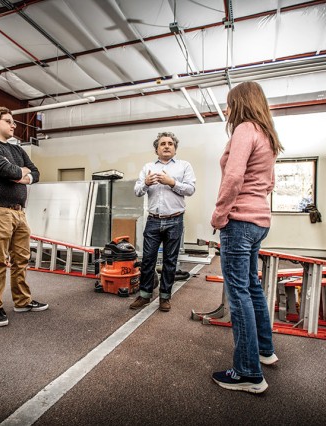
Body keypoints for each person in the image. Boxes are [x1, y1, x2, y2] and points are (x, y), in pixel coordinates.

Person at [210, 81, 284, 394]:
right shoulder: (266, 134)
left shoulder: (244, 129)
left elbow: (234, 176)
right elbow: (269, 182)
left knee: (238, 293)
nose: (226, 110)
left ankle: (248, 373)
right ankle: (264, 351)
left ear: (240, 103)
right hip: (259, 220)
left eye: (228, 104)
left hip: (239, 221)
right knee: (251, 287)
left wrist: (219, 214)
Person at [0, 106, 47, 327]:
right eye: (9, 121)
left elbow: (35, 172)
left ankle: (22, 301)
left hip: (18, 212)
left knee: (21, 260)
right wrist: (19, 172)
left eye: (13, 122)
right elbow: (11, 172)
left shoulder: (17, 150)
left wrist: (23, 175)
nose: (14, 125)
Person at [131, 132, 196, 312]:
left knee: (170, 261)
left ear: (175, 149)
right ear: (156, 149)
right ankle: (144, 295)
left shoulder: (184, 166)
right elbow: (137, 191)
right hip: (153, 220)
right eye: (162, 144)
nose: (166, 146)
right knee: (148, 260)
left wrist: (172, 182)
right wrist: (145, 183)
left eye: (170, 144)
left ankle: (165, 297)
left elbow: (190, 189)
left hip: (175, 219)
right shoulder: (148, 166)